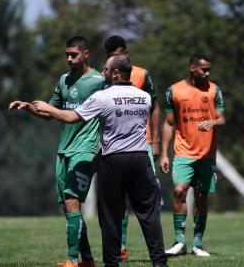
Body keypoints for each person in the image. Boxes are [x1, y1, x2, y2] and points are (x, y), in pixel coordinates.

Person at [32, 55, 167, 267]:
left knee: (111, 217)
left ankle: (112, 264)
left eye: (105, 69)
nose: (102, 73)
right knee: (149, 214)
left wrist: (48, 108)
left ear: (115, 73)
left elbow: (71, 117)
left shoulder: (103, 97)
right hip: (141, 159)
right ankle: (159, 263)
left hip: (114, 161)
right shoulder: (144, 97)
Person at [9, 36, 104, 267]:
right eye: (67, 55)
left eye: (74, 54)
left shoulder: (99, 81)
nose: (70, 59)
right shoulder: (64, 80)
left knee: (72, 201)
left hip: (86, 148)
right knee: (67, 206)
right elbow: (49, 113)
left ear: (86, 54)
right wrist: (29, 107)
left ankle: (72, 261)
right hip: (64, 149)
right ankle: (88, 260)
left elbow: (105, 110)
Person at [160, 54, 225, 257]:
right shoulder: (174, 91)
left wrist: (213, 122)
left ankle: (198, 242)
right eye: (203, 69)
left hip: (207, 154)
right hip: (183, 151)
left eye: (209, 70)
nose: (207, 73)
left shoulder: (214, 90)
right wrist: (164, 153)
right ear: (191, 68)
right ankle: (179, 241)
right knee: (180, 190)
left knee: (201, 196)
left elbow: (222, 118)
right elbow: (169, 123)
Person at [104, 35, 162, 261]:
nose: (116, 59)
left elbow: (155, 106)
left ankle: (156, 253)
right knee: (117, 201)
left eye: (119, 54)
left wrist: (155, 141)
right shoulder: (106, 75)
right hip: (114, 146)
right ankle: (122, 247)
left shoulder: (142, 74)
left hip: (141, 143)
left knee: (147, 200)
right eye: (111, 56)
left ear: (126, 53)